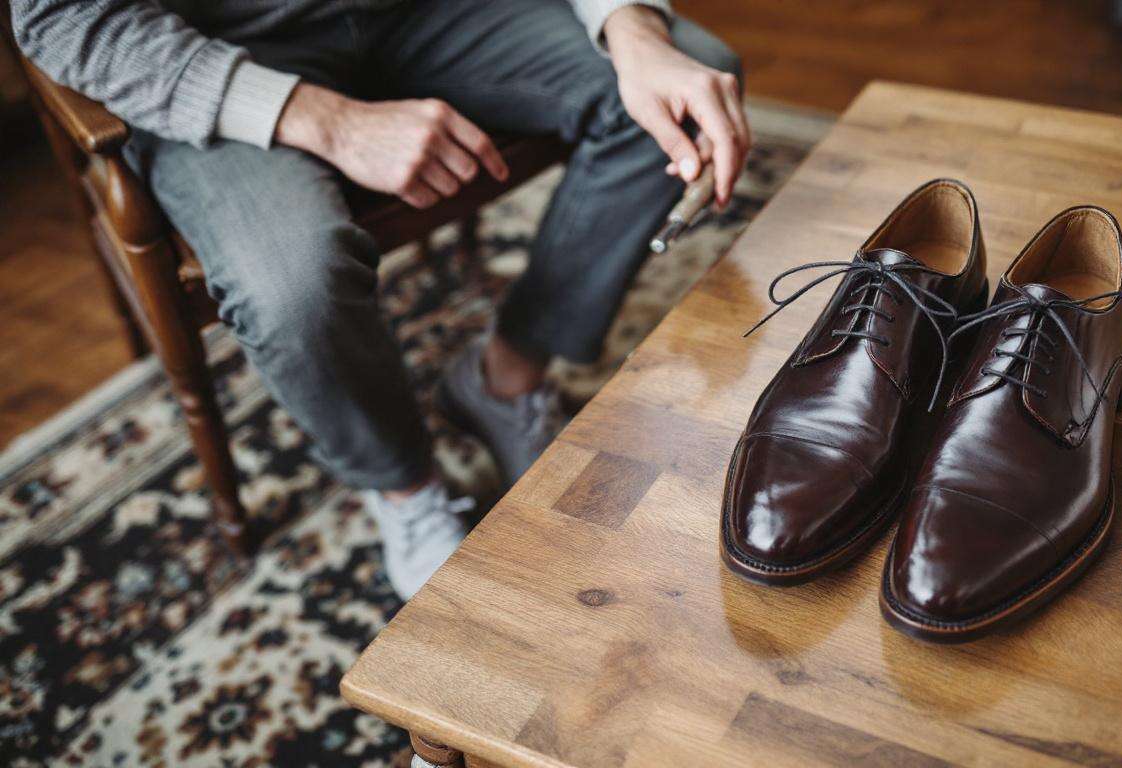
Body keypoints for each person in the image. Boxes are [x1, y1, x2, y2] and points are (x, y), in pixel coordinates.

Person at [11, 0, 748, 598]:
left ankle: (504, 376)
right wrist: (329, 121)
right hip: (206, 53)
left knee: (689, 86)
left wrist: (630, 25)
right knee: (292, 282)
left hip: (421, 14)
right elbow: (61, 17)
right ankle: (405, 487)